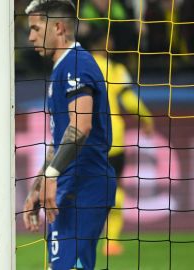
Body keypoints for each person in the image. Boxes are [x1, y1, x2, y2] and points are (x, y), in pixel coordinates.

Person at [22, 1, 116, 269]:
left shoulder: (76, 63)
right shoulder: (62, 68)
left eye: (36, 29)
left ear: (59, 27)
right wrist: (38, 186)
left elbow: (81, 126)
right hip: (71, 185)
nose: (30, 37)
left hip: (85, 184)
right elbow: (59, 140)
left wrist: (51, 176)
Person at [89, 30, 155, 256]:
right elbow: (129, 99)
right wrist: (146, 119)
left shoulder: (79, 66)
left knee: (84, 188)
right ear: (105, 42)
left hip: (85, 138)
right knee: (113, 187)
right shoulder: (115, 69)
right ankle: (111, 241)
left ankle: (80, 237)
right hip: (113, 138)